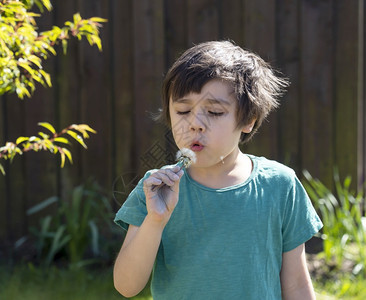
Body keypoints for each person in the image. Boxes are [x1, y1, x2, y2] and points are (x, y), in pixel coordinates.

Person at [113, 40, 323, 299]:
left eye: (213, 112)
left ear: (248, 120)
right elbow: (126, 286)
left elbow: (297, 285)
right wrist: (155, 221)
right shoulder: (156, 189)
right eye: (183, 110)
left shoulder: (280, 185)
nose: (195, 124)